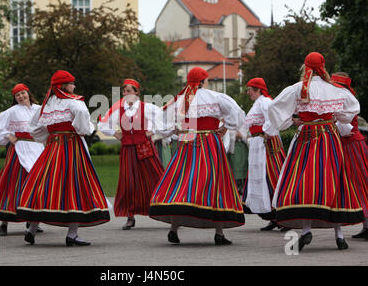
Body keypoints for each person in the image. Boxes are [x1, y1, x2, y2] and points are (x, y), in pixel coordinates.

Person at [267, 52, 364, 251]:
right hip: (329, 137)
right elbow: (352, 110)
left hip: (307, 137)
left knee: (306, 181)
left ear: (305, 67)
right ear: (323, 66)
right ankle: (339, 235)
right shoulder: (334, 89)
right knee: (334, 180)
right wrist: (335, 115)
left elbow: (274, 108)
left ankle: (306, 230)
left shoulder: (297, 89)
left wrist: (291, 121)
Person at [149, 67, 246, 245]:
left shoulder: (180, 100)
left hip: (187, 142)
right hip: (209, 142)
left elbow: (162, 122)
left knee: (183, 181)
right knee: (214, 182)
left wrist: (174, 130)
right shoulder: (214, 97)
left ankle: (174, 228)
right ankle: (219, 233)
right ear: (203, 81)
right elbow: (237, 113)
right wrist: (226, 127)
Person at [16, 70, 110, 246]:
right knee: (75, 186)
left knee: (45, 185)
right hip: (71, 148)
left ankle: (32, 229)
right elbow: (83, 127)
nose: (74, 86)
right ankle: (72, 234)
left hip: (52, 149)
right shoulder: (75, 103)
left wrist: (47, 138)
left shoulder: (47, 104)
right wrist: (84, 130)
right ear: (64, 86)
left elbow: (34, 128)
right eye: (72, 83)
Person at [98, 79, 164, 230]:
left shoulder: (146, 107)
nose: (125, 94)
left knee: (156, 176)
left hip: (145, 147)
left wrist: (152, 131)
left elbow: (163, 119)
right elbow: (103, 124)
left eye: (128, 91)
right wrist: (116, 134)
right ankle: (130, 215)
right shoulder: (119, 110)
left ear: (136, 92)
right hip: (128, 149)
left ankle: (166, 209)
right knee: (128, 181)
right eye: (124, 91)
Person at [0, 84, 45, 236]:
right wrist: (9, 136)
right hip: (19, 150)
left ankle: (32, 220)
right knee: (13, 183)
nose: (21, 97)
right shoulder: (12, 111)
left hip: (37, 149)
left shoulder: (39, 109)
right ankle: (4, 222)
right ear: (15, 98)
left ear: (28, 93)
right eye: (17, 95)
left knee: (35, 184)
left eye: (23, 93)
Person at [242, 78, 287, 231]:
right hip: (258, 144)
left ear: (259, 90)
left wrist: (267, 132)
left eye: (251, 90)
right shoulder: (258, 103)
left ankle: (282, 216)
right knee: (263, 178)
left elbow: (273, 118)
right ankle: (273, 217)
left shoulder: (265, 101)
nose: (248, 93)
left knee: (271, 176)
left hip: (266, 145)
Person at [331, 72, 368, 241]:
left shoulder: (344, 98)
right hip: (348, 144)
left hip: (352, 144)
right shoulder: (344, 97)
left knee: (360, 183)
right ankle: (366, 225)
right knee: (355, 184)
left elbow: (344, 127)